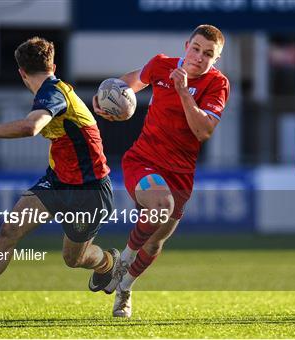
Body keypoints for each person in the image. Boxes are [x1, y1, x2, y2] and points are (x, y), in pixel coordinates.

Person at [0, 37, 118, 318]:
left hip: (90, 190)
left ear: (21, 72)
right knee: (9, 231)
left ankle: (108, 263)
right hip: (57, 182)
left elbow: (31, 127)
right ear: (54, 65)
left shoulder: (53, 93)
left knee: (75, 258)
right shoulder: (55, 90)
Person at [93, 24, 229, 318]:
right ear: (186, 45)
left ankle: (125, 288)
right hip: (143, 159)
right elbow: (128, 83)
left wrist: (183, 92)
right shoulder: (161, 65)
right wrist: (105, 98)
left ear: (216, 58)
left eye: (208, 54)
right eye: (196, 49)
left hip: (180, 173)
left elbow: (203, 131)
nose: (199, 57)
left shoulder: (217, 84)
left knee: (155, 242)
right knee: (161, 204)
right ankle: (122, 261)